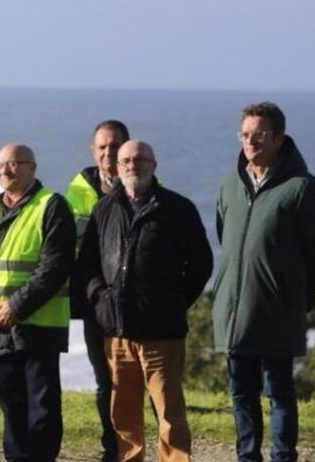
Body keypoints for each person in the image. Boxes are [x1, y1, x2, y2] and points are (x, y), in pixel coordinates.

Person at [213, 102, 315, 462]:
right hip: (237, 312)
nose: (250, 141)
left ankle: (283, 457)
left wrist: (299, 298)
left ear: (279, 138)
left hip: (278, 312)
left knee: (279, 393)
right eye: (245, 134)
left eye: (260, 134)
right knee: (241, 394)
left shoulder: (302, 188)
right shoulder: (229, 187)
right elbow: (229, 242)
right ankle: (247, 456)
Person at [78, 140, 213, 462]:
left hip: (162, 333)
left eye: (139, 159)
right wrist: (100, 296)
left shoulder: (178, 209)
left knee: (169, 414)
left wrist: (174, 302)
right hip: (117, 332)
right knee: (124, 416)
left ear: (154, 164)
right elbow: (87, 264)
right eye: (125, 160)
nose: (131, 165)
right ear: (117, 166)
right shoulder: (105, 209)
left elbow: (200, 264)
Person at [0, 143, 75, 462]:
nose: (5, 171)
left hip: (39, 325)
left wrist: (16, 307)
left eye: (14, 164)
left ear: (32, 167)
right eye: (0, 166)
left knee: (41, 409)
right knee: (10, 405)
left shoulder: (52, 206)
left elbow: (54, 267)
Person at [64, 119, 130, 462]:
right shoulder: (75, 192)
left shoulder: (148, 186)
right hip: (95, 304)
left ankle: (140, 448)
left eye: (116, 145)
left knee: (143, 383)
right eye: (103, 146)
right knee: (105, 382)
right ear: (93, 151)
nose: (109, 152)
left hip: (136, 306)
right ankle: (112, 448)